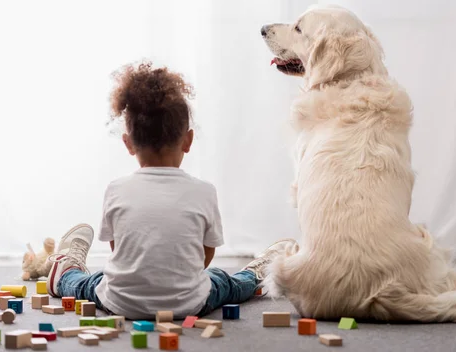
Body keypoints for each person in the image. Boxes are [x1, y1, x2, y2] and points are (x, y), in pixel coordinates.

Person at [46, 62, 297, 319]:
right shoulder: (204, 192)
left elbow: (118, 249)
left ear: (128, 143)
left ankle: (64, 272)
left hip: (121, 303)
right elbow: (205, 255)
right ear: (187, 141)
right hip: (188, 305)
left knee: (89, 283)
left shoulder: (116, 190)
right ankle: (256, 275)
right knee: (222, 281)